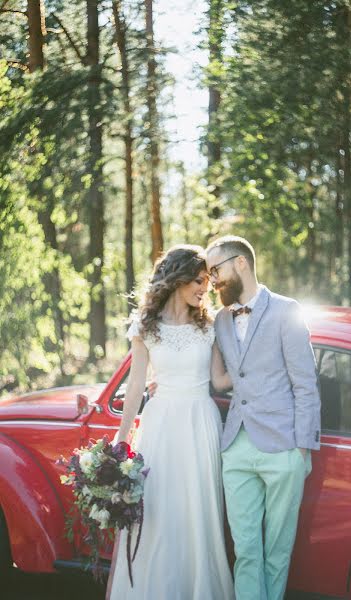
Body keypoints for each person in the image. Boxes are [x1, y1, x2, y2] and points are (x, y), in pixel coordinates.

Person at [106, 245, 234, 600]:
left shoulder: (209, 325)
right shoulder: (145, 326)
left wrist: (262, 369)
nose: (204, 289)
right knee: (158, 511)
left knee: (198, 514)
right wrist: (121, 442)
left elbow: (220, 381)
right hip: (160, 424)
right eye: (197, 280)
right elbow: (135, 387)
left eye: (207, 282)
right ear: (177, 279)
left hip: (200, 422)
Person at [206, 235, 321, 600]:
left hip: (283, 448)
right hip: (236, 449)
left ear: (241, 262)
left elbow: (305, 385)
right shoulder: (220, 320)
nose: (212, 280)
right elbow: (220, 378)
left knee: (277, 552)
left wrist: (301, 450)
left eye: (216, 269)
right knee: (246, 551)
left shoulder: (287, 310)